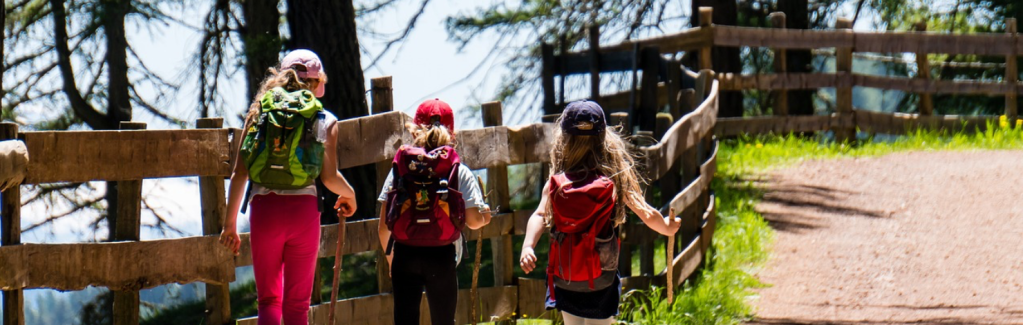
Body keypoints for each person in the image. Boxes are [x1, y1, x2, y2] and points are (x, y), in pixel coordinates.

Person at [219, 49, 357, 325]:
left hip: (265, 210)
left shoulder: (259, 112)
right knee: (297, 306)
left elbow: (239, 173)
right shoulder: (324, 120)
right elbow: (329, 178)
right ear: (317, 83)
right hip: (303, 212)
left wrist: (229, 224)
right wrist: (350, 194)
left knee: (268, 300)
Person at [518, 100, 680, 325]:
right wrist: (667, 227)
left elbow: (539, 215)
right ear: (604, 139)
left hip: (566, 277)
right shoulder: (614, 180)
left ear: (563, 140)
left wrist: (528, 246)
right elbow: (645, 212)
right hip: (601, 276)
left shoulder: (556, 183)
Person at [377, 99, 492, 325]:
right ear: (453, 133)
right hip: (441, 255)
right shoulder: (457, 169)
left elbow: (383, 227)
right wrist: (486, 215)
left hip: (405, 253)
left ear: (414, 130)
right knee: (443, 320)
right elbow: (474, 221)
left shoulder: (401, 167)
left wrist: (392, 260)